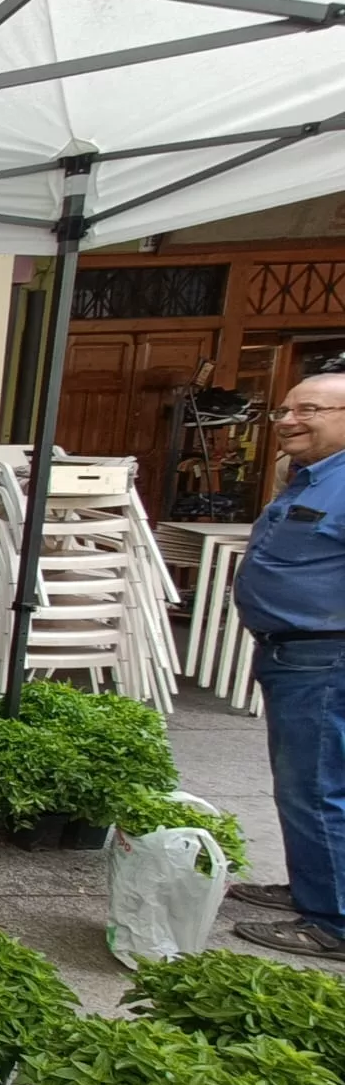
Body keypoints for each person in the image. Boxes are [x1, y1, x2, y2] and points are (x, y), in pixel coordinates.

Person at [228, 372, 345, 958]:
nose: (290, 421)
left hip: (326, 657)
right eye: (284, 410)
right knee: (305, 781)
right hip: (297, 652)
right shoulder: (314, 478)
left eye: (310, 411)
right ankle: (313, 887)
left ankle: (332, 919)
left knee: (318, 785)